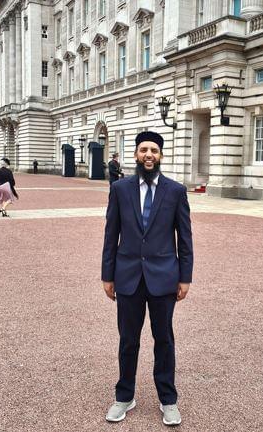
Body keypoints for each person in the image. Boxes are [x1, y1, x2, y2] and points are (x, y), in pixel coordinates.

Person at [102, 131, 193, 426]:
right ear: (136, 154)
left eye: (154, 149)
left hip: (164, 278)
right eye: (144, 149)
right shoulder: (120, 189)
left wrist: (185, 277)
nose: (149, 154)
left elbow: (185, 239)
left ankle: (168, 400)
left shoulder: (176, 191)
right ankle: (124, 396)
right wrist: (107, 275)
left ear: (161, 155)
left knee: (163, 339)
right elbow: (110, 234)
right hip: (127, 277)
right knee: (128, 340)